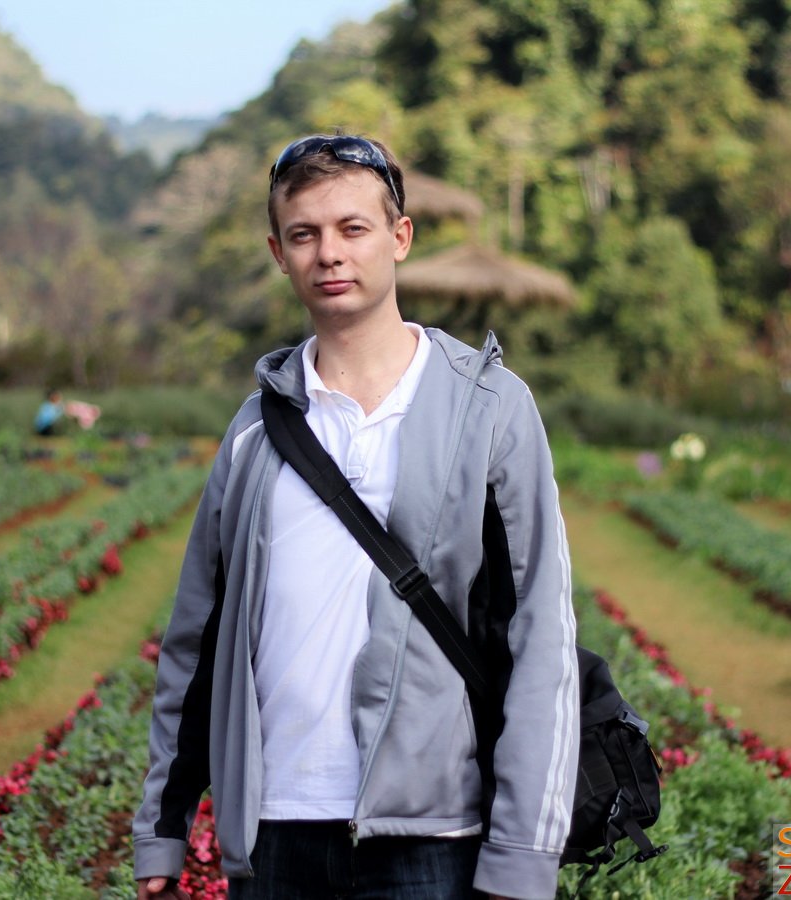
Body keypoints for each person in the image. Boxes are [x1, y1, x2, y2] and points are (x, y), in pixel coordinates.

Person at [133, 134, 578, 900]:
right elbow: (195, 645)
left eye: (352, 229)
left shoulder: (489, 409)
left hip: (434, 840)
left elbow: (541, 634)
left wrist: (521, 854)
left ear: (399, 238)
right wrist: (164, 830)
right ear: (279, 253)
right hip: (272, 836)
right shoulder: (253, 431)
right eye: (304, 235)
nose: (328, 254)